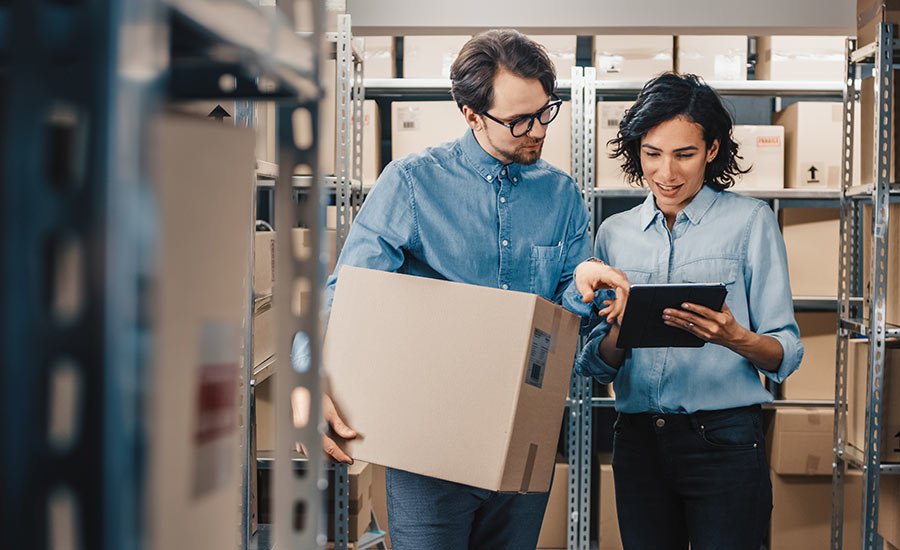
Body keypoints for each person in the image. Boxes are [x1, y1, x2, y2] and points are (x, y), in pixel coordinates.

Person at [311, 30, 629, 550]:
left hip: (523, 439)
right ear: (470, 114)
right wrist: (310, 373)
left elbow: (566, 329)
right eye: (518, 121)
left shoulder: (562, 196)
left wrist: (582, 288)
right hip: (428, 447)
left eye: (544, 112)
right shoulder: (412, 184)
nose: (537, 132)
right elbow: (346, 294)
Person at [575, 73, 804, 550]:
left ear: (713, 150)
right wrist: (618, 327)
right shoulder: (614, 234)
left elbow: (786, 352)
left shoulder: (750, 222)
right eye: (652, 153)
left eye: (684, 154)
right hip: (638, 442)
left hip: (724, 440)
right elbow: (595, 365)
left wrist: (732, 336)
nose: (666, 174)